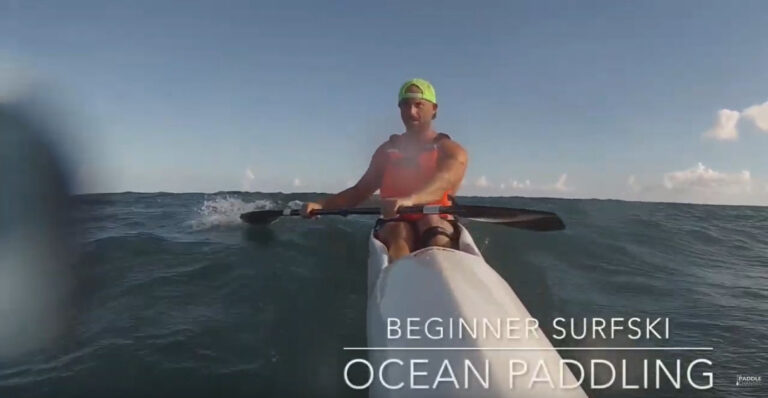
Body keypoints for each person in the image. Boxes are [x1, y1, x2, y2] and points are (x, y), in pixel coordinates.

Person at [301, 79, 468, 260]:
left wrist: (411, 200)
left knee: (432, 225)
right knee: (399, 232)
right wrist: (322, 205)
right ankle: (400, 274)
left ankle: (442, 268)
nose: (411, 112)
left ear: (434, 109)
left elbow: (444, 182)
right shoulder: (387, 151)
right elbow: (359, 191)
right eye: (405, 105)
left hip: (435, 217)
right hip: (395, 221)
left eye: (418, 105)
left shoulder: (451, 150)